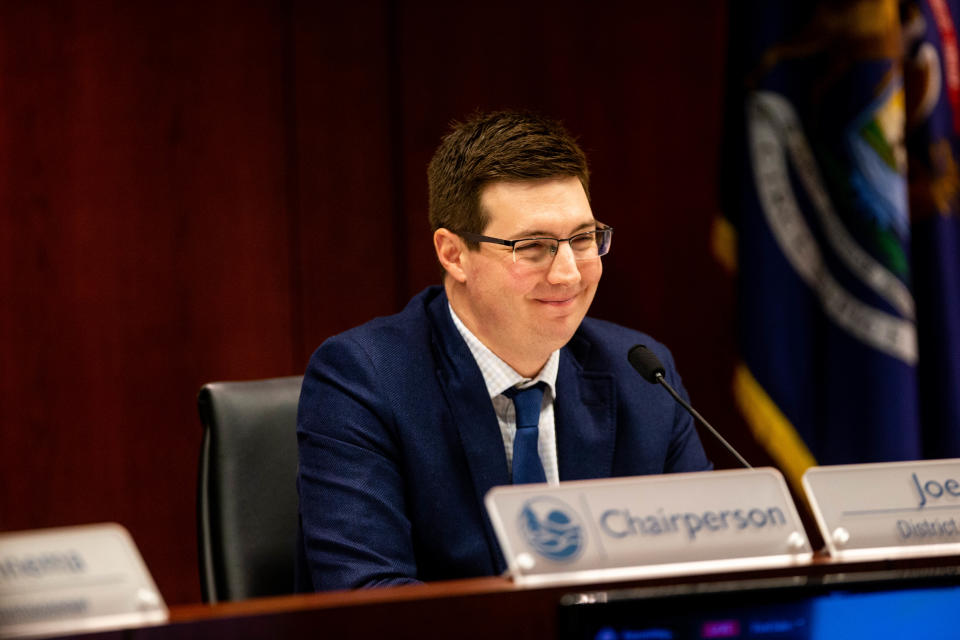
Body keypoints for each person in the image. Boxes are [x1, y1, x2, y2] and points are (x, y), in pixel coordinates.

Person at [296, 110, 711, 591]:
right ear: (453, 254)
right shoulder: (364, 379)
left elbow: (708, 573)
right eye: (533, 246)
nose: (569, 274)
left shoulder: (640, 375)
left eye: (582, 239)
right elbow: (369, 600)